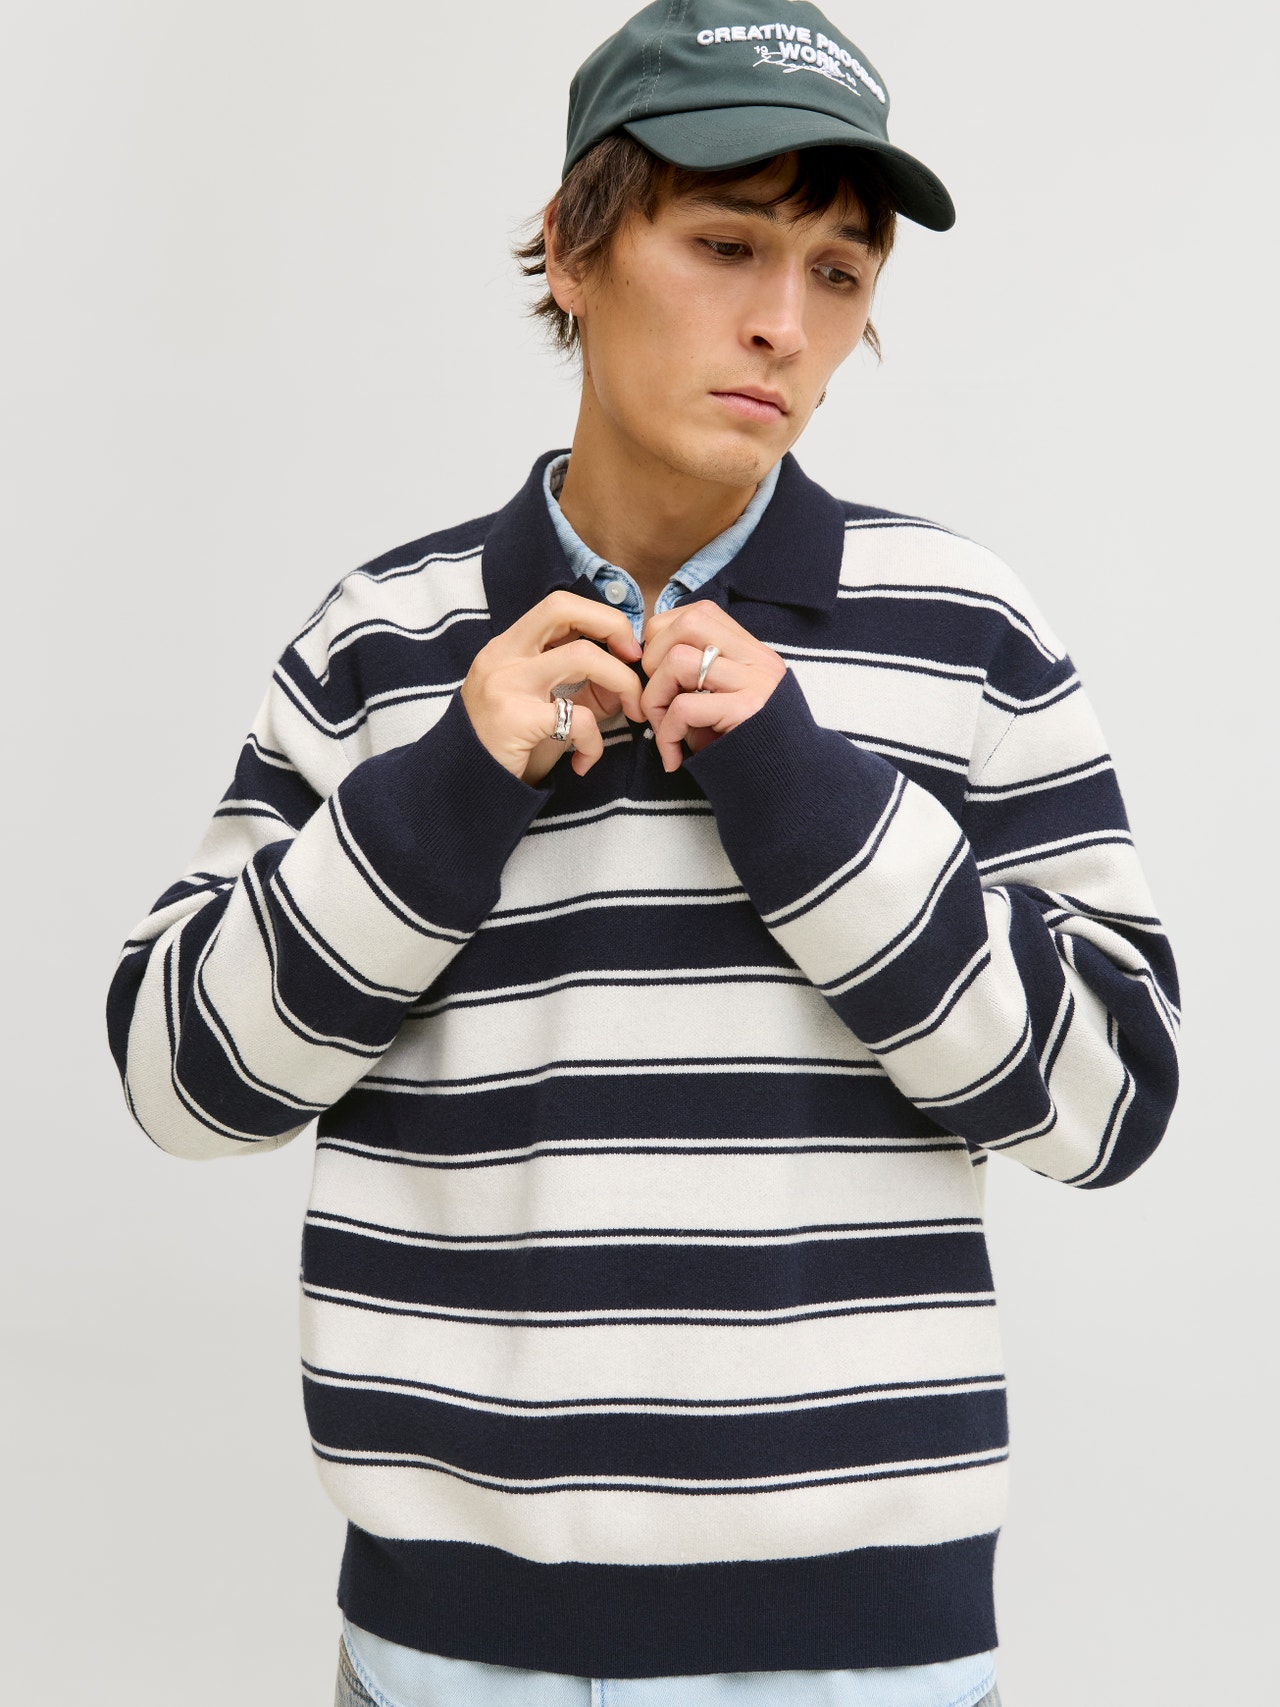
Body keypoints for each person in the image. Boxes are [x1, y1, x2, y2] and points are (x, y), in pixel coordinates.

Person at [105, 2, 1180, 1703]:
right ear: (572, 247)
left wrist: (806, 792)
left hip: (864, 1667)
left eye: (839, 271)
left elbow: (1113, 1098)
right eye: (727, 243)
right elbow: (179, 1078)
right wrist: (451, 785)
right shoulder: (381, 641)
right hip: (448, 1661)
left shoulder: (970, 631)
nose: (783, 324)